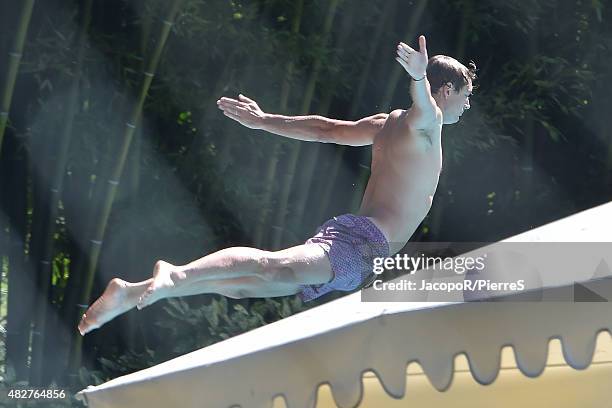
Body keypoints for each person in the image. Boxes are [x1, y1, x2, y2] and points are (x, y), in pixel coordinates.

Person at [78, 35, 475, 335]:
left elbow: (325, 130)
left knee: (246, 288)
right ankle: (174, 275)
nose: (468, 105)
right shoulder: (427, 125)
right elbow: (426, 108)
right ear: (446, 90)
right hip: (365, 242)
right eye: (466, 95)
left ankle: (133, 292)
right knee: (273, 267)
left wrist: (264, 120)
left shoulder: (388, 124)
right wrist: (420, 77)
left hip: (359, 240)